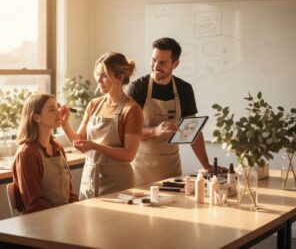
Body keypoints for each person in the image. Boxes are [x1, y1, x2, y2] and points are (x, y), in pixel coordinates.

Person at [127, 37, 227, 186]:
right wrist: (154, 131)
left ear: (176, 64)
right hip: (140, 167)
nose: (156, 66)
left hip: (170, 167)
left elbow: (193, 131)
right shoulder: (137, 88)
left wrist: (206, 165)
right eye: (153, 60)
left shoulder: (184, 89)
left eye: (162, 62)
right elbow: (125, 130)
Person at [60, 52, 143, 199]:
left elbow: (129, 154)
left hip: (119, 184)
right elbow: (79, 141)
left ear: (120, 76)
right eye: (97, 74)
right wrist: (65, 125)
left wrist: (95, 146)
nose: (98, 80)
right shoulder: (94, 104)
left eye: (104, 75)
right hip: (89, 180)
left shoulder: (131, 109)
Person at [12, 93, 78, 214]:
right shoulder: (27, 154)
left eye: (57, 107)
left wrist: (76, 211)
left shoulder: (58, 148)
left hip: (65, 218)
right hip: (41, 223)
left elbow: (70, 193)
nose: (59, 112)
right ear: (36, 117)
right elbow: (35, 204)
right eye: (52, 110)